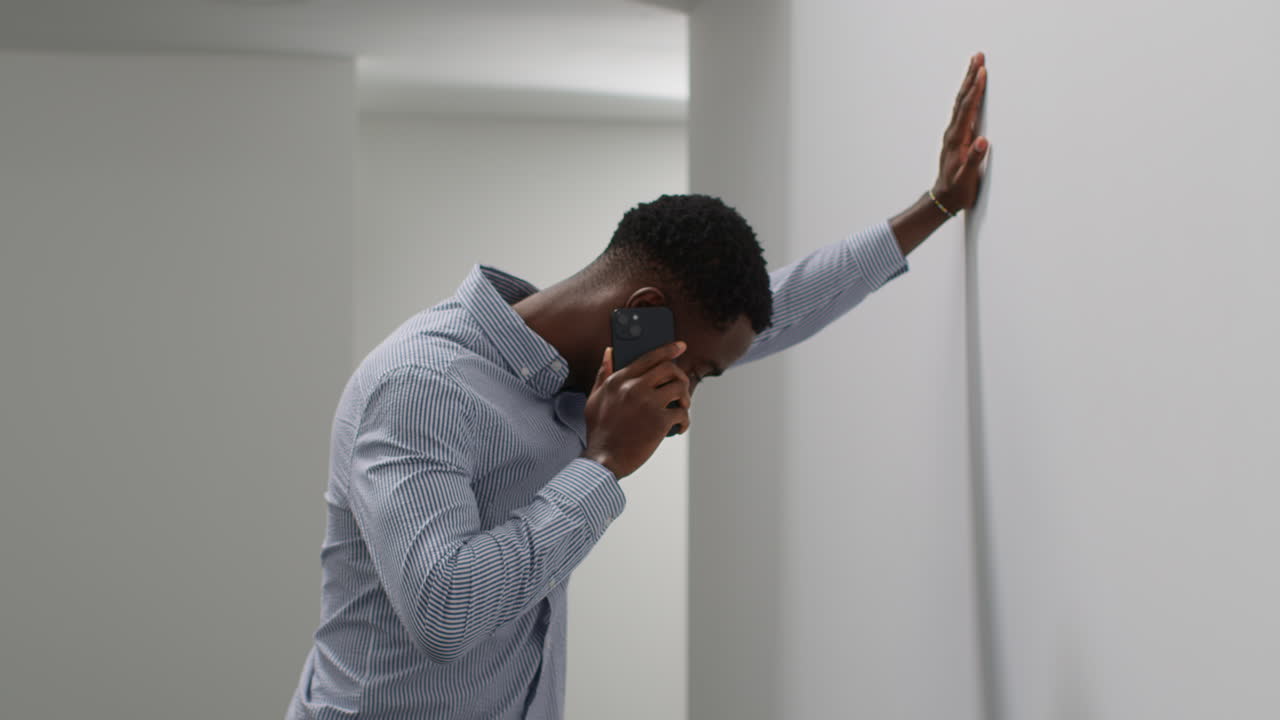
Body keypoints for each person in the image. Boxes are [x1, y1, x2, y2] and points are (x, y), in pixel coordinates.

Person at [287, 53, 990, 720]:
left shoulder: (603, 362)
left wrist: (935, 204)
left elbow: (780, 311)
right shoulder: (421, 386)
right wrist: (601, 465)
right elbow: (445, 611)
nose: (684, 407)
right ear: (646, 316)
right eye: (695, 372)